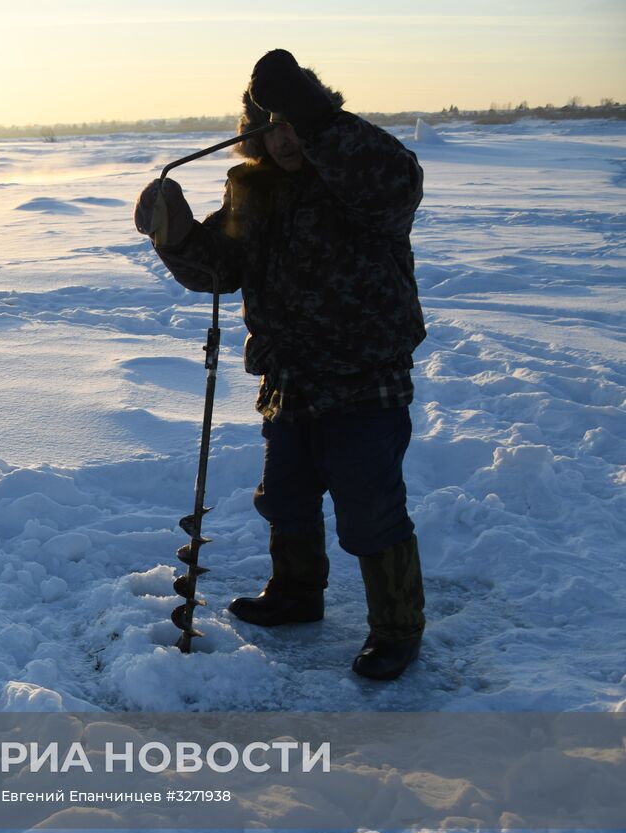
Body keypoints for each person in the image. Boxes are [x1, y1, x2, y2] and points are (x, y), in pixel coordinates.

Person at [133, 49, 428, 681]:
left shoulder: (367, 176)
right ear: (254, 134)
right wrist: (179, 235)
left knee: (369, 507)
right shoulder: (254, 191)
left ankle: (397, 628)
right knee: (286, 497)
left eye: (295, 120)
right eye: (271, 123)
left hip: (364, 377)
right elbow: (222, 268)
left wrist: (317, 118)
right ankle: (297, 593)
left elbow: (391, 182)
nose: (284, 135)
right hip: (288, 377)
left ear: (318, 118)